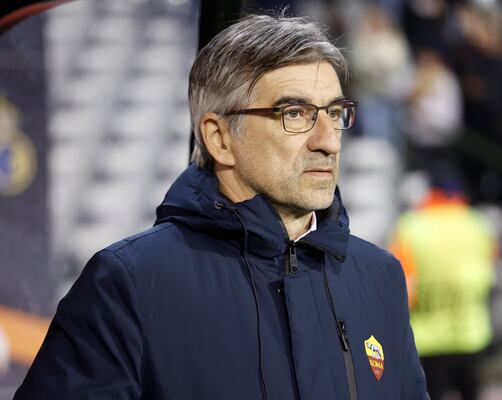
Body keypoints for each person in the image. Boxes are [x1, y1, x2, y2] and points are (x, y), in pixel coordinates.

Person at [15, 13, 428, 400]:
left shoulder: (379, 276)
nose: (328, 140)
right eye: (295, 113)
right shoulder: (129, 283)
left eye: (335, 113)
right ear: (219, 138)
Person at [388, 173, 496, 400]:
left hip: (428, 339)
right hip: (471, 333)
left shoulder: (410, 226)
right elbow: (490, 269)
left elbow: (402, 287)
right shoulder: (479, 223)